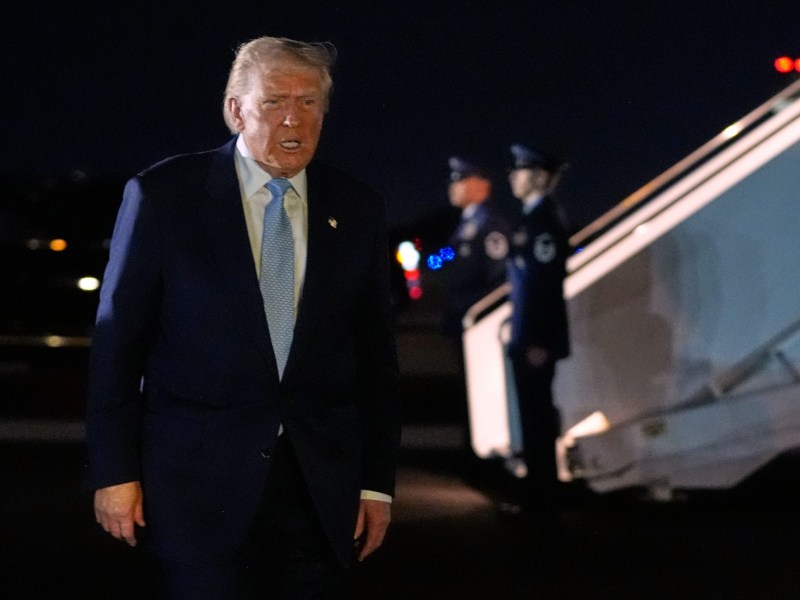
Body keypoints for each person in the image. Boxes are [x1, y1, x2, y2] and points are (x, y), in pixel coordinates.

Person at [84, 36, 401, 599]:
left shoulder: (357, 208)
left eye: (309, 103)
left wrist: (376, 485)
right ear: (236, 110)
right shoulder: (164, 197)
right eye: (275, 101)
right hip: (195, 488)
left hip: (319, 488)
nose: (293, 119)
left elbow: (376, 358)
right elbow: (117, 346)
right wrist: (113, 471)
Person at [505, 143, 570, 525]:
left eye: (521, 170)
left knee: (538, 421)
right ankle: (537, 501)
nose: (513, 176)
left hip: (535, 342)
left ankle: (542, 507)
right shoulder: (533, 219)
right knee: (533, 421)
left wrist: (539, 341)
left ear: (541, 177)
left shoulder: (544, 221)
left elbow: (544, 287)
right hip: (527, 337)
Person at [441, 156, 512, 340]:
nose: (453, 187)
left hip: (479, 320)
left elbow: (499, 278)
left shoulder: (490, 225)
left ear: (480, 184)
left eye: (461, 180)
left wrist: (482, 313)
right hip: (461, 316)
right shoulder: (467, 224)